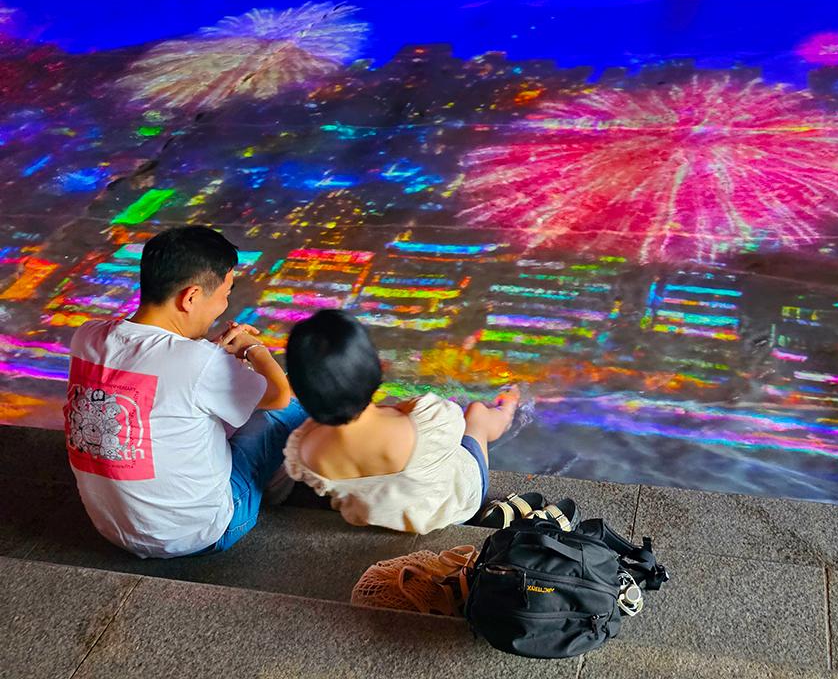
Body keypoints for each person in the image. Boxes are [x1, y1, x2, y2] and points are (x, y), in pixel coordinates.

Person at [63, 226, 303, 558]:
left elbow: (162, 364)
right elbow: (280, 396)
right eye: (226, 293)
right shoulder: (200, 362)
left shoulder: (86, 337)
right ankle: (270, 488)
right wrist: (254, 350)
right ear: (190, 297)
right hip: (202, 532)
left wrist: (208, 355)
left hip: (109, 528)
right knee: (293, 405)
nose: (225, 303)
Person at [283, 310, 518, 535]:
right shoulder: (428, 420)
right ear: (376, 368)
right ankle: (507, 409)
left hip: (380, 518)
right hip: (456, 506)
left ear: (298, 388)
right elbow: (449, 426)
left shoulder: (304, 449)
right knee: (477, 415)